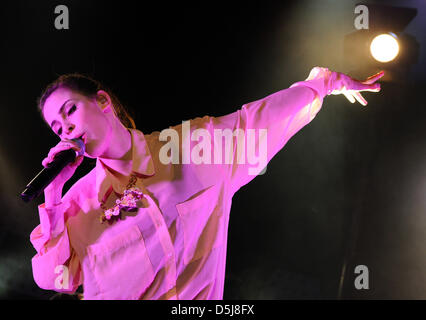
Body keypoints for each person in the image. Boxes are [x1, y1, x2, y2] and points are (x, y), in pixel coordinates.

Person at [30, 67, 384, 300]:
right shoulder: (78, 201)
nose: (67, 129)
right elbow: (54, 278)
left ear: (103, 101)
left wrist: (324, 83)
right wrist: (53, 192)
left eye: (70, 111)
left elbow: (258, 121)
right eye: (57, 128)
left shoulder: (192, 149)